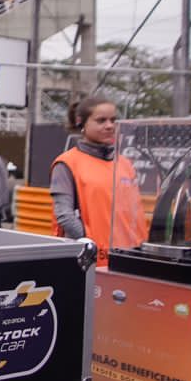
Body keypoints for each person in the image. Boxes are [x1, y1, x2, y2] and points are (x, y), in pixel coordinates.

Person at [49, 96, 143, 264]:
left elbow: (134, 212)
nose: (109, 126)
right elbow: (64, 215)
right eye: (101, 121)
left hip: (128, 256)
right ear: (81, 122)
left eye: (113, 120)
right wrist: (89, 243)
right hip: (89, 259)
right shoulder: (67, 163)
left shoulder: (124, 163)